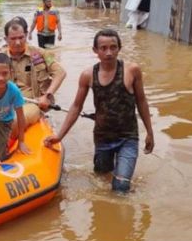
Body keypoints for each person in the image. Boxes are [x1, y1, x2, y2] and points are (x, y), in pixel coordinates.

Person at [44, 29, 154, 193]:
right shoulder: (88, 75)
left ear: (119, 48)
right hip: (102, 137)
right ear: (95, 50)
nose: (108, 52)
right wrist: (59, 136)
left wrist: (150, 132)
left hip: (128, 137)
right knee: (101, 180)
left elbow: (141, 101)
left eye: (113, 47)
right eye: (103, 48)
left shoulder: (132, 71)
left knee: (121, 187)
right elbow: (76, 106)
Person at [3, 16, 66, 126]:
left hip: (33, 103)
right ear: (6, 39)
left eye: (21, 37)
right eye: (13, 39)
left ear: (26, 35)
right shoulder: (0, 57)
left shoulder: (41, 53)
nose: (18, 42)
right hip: (5, 103)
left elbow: (60, 72)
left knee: (15, 121)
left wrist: (47, 96)